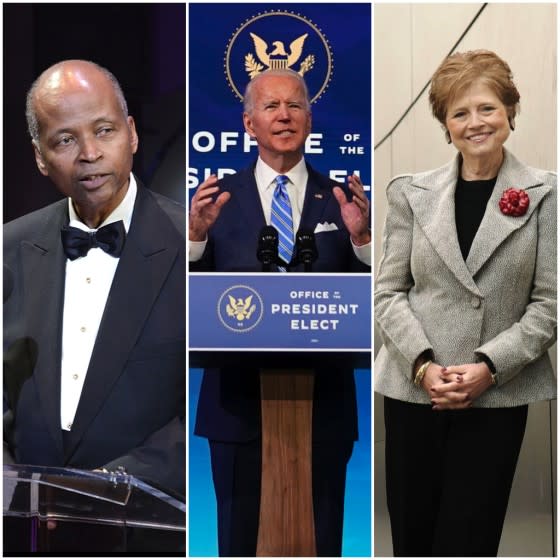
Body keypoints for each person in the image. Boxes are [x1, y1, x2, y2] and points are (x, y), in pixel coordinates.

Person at [374, 50, 556, 556]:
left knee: (469, 540)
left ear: (510, 113)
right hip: (416, 393)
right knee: (413, 538)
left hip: (495, 396)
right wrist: (424, 367)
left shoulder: (545, 195)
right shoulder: (410, 193)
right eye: (459, 112)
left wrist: (488, 368)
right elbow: (388, 293)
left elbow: (548, 304)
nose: (475, 123)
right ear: (445, 123)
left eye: (487, 108)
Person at [189, 68, 371, 556]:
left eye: (294, 106)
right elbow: (190, 302)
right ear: (249, 124)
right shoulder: (215, 202)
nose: (284, 116)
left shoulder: (342, 201)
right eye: (271, 107)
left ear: (309, 120)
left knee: (322, 536)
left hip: (323, 405)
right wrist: (195, 239)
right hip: (236, 406)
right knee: (237, 541)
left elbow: (366, 304)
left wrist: (361, 242)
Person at [3, 61, 186, 506]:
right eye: (65, 140)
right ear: (40, 157)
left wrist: (112, 483)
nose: (89, 153)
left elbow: (210, 402)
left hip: (152, 521)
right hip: (25, 520)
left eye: (104, 131)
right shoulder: (10, 247)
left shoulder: (194, 247)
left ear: (133, 133)